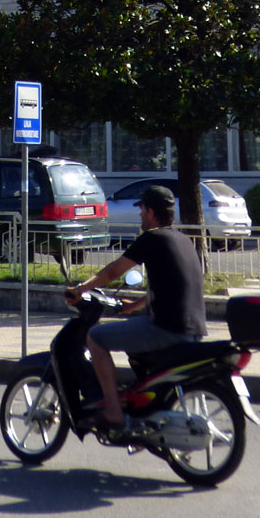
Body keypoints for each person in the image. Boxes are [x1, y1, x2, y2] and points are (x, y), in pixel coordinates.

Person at [65, 183, 206, 434]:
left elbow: (113, 271)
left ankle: (112, 410)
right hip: (194, 329)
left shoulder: (152, 239)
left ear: (151, 212)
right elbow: (169, 286)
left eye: (141, 209)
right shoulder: (183, 240)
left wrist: (80, 289)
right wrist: (135, 306)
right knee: (133, 343)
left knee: (95, 338)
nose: (140, 214)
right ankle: (142, 405)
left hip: (166, 329)